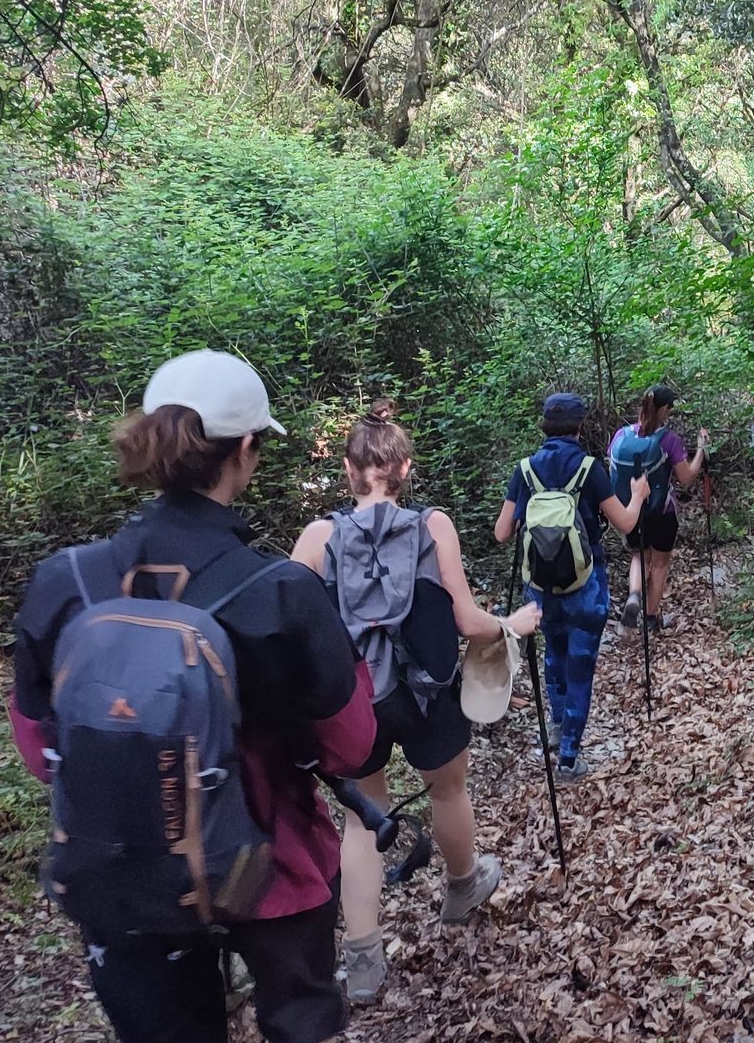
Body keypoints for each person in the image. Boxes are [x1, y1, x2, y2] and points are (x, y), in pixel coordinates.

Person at [6, 350, 375, 1043]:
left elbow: (41, 748)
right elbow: (353, 743)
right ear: (245, 450)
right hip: (273, 869)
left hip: (122, 869)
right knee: (300, 1028)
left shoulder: (64, 583)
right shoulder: (281, 591)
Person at [288, 403, 543, 1005]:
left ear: (349, 470)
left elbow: (290, 629)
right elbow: (464, 619)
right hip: (428, 690)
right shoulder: (434, 527)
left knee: (360, 816)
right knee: (448, 789)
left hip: (352, 700)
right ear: (404, 468)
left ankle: (365, 959)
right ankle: (462, 885)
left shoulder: (317, 538)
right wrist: (512, 625)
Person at [493, 393, 647, 780]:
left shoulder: (525, 469)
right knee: (581, 667)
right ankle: (568, 757)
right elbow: (626, 524)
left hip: (541, 589)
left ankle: (559, 728)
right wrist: (640, 495)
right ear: (580, 426)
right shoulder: (590, 468)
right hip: (585, 585)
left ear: (544, 425)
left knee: (553, 658)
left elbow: (501, 533)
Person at [611, 383, 710, 638]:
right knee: (660, 564)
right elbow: (686, 478)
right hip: (662, 512)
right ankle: (651, 618)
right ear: (664, 409)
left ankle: (634, 595)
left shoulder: (621, 436)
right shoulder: (669, 440)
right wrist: (701, 449)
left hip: (631, 510)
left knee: (638, 555)